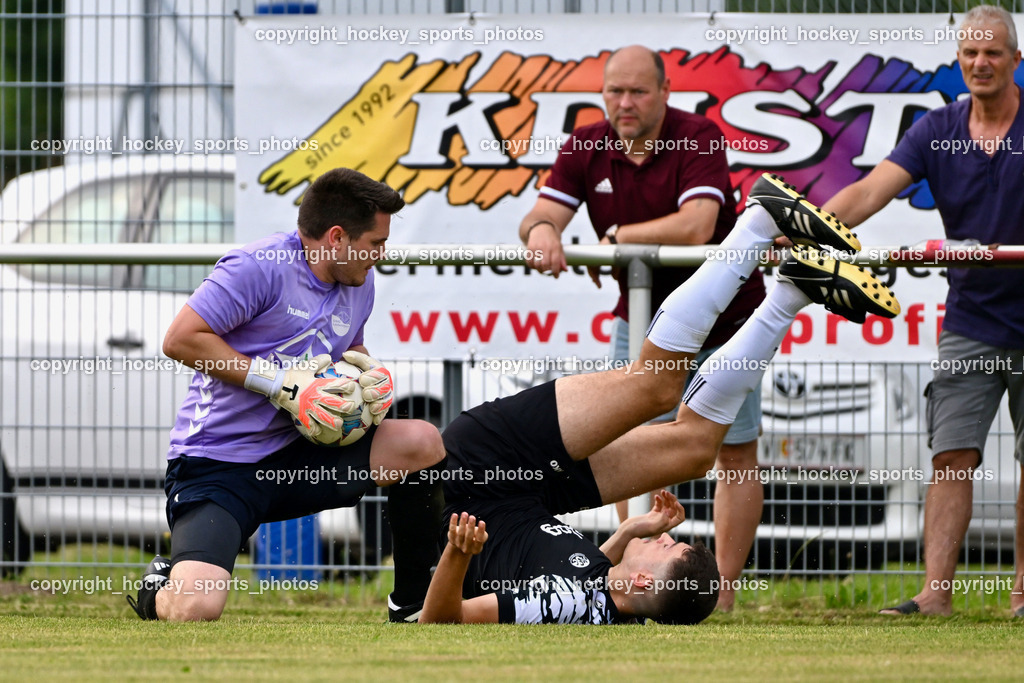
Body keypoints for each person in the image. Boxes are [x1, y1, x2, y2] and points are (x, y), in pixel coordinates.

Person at [420, 173, 898, 625]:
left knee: (656, 385)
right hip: (530, 494)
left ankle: (757, 224)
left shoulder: (567, 605)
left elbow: (439, 621)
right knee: (695, 452)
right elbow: (581, 578)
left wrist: (458, 554)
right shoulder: (605, 601)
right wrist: (628, 532)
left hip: (475, 471)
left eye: (668, 547)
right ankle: (791, 291)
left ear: (644, 577)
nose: (668, 537)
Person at [127, 168, 446, 623]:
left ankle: (415, 604)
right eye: (375, 243)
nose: (381, 255)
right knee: (195, 609)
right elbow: (181, 339)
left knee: (421, 442)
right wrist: (281, 386)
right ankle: (159, 587)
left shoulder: (358, 280)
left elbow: (347, 350)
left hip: (301, 458)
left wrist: (367, 377)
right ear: (337, 237)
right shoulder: (256, 266)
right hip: (220, 465)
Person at [519, 45, 767, 612]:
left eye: (637, 91)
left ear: (664, 93)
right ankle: (632, 580)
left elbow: (699, 223)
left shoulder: (697, 133)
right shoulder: (586, 142)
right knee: (628, 447)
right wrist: (540, 232)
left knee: (733, 451)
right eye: (614, 91)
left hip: (725, 324)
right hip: (642, 322)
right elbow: (539, 216)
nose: (623, 103)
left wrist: (616, 239)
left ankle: (721, 593)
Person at [818, 5, 1024, 618]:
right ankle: (936, 595)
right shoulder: (936, 129)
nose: (981, 63)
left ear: (1015, 59)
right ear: (958, 62)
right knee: (951, 456)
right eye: (970, 54)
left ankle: (1021, 597)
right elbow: (866, 192)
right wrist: (809, 230)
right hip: (971, 322)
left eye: (992, 52)